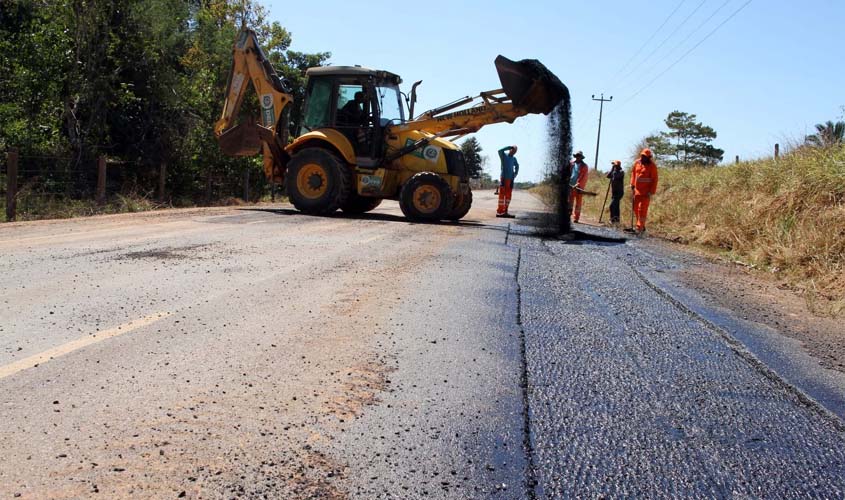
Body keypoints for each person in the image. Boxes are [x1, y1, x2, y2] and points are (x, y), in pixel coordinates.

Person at [630, 148, 659, 232]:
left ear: (649, 157)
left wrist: (651, 192)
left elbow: (655, 180)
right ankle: (641, 226)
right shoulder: (637, 163)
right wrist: (632, 184)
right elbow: (633, 173)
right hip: (636, 191)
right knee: (635, 208)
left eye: (645, 156)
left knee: (642, 210)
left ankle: (639, 227)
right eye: (642, 156)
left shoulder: (652, 166)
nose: (643, 157)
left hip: (646, 193)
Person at [496, 145, 519, 218]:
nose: (514, 152)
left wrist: (515, 173)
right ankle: (500, 211)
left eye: (515, 151)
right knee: (502, 195)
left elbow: (517, 165)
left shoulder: (514, 159)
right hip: (503, 177)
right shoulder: (504, 155)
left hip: (511, 179)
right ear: (510, 150)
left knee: (508, 195)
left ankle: (506, 211)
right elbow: (499, 151)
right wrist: (508, 147)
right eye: (513, 150)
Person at [569, 151, 589, 223]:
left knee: (578, 203)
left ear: (581, 157)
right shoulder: (571, 164)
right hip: (571, 185)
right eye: (577, 155)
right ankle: (568, 215)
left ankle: (576, 218)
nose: (578, 157)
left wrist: (578, 184)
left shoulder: (584, 166)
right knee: (570, 202)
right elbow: (568, 173)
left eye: (579, 156)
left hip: (579, 187)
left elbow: (584, 177)